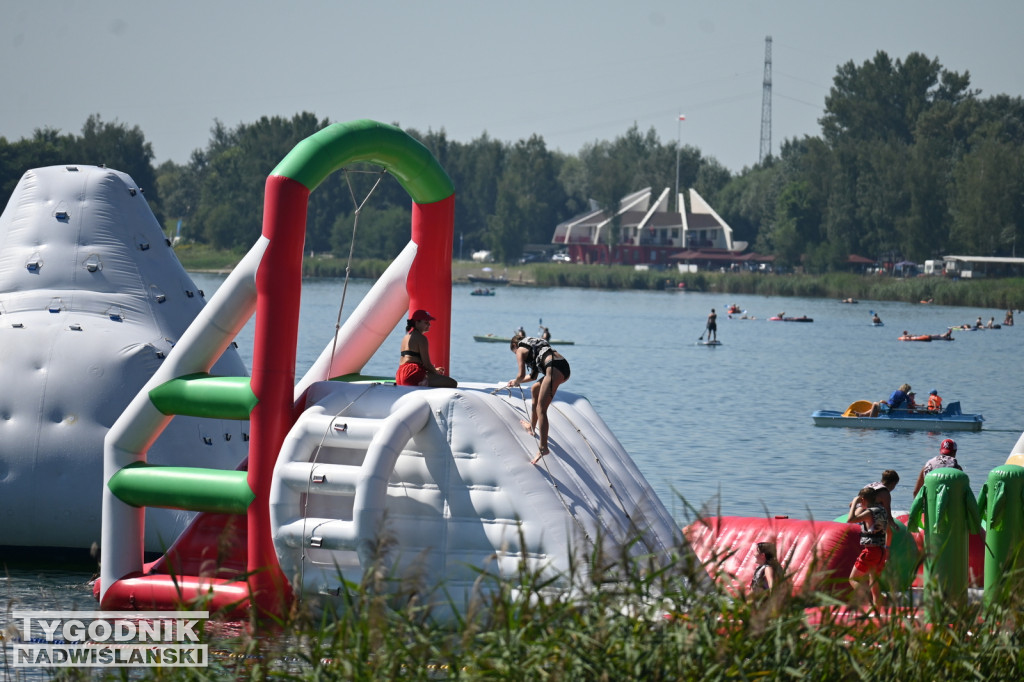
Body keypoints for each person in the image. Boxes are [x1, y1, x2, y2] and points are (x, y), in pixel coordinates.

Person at [507, 332, 571, 464]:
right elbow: (532, 377)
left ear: (514, 345)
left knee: (541, 409)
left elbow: (521, 374)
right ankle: (532, 426)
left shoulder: (520, 349)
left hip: (553, 368)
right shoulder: (533, 346)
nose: (516, 354)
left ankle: (543, 447)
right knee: (535, 388)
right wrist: (516, 381)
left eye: (514, 352)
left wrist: (516, 381)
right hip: (562, 366)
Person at [847, 486, 892, 609]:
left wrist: (856, 502)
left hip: (871, 551)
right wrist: (887, 549)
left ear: (862, 499)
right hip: (881, 551)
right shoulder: (882, 510)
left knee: (853, 579)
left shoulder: (869, 513)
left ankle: (869, 604)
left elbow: (850, 519)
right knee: (874, 582)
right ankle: (879, 606)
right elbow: (890, 531)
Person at [396, 310, 458, 388]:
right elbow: (427, 364)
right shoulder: (422, 338)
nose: (429, 324)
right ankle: (422, 382)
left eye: (429, 322)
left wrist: (433, 370)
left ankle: (422, 382)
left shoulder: (405, 337)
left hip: (400, 374)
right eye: (426, 322)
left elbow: (411, 360)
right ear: (417, 323)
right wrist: (435, 372)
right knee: (452, 383)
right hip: (413, 374)